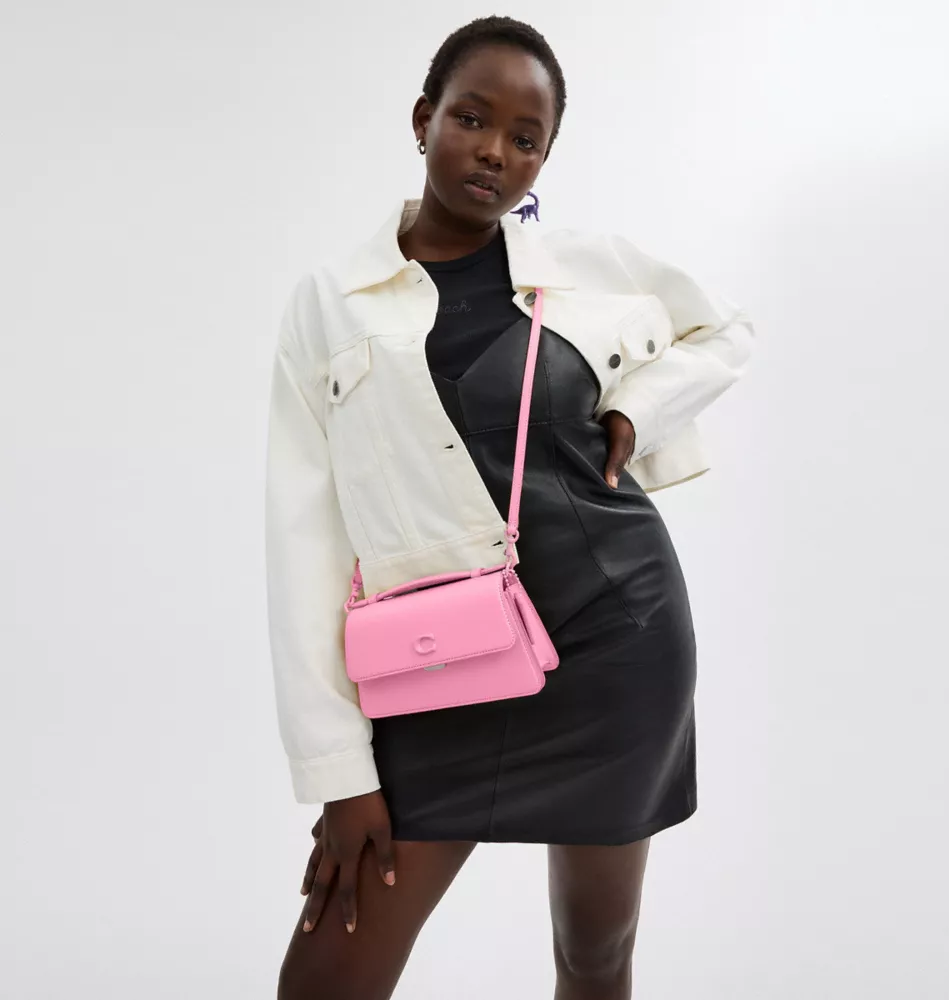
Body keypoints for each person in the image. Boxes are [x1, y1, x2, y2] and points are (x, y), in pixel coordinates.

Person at [265, 15, 755, 1000]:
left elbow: (723, 332)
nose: (495, 150)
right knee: (325, 978)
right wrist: (340, 773)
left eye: (525, 137)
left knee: (594, 954)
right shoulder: (333, 301)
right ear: (423, 119)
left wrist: (635, 411)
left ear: (543, 157)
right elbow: (302, 540)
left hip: (615, 643)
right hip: (435, 669)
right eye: (471, 119)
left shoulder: (583, 269)